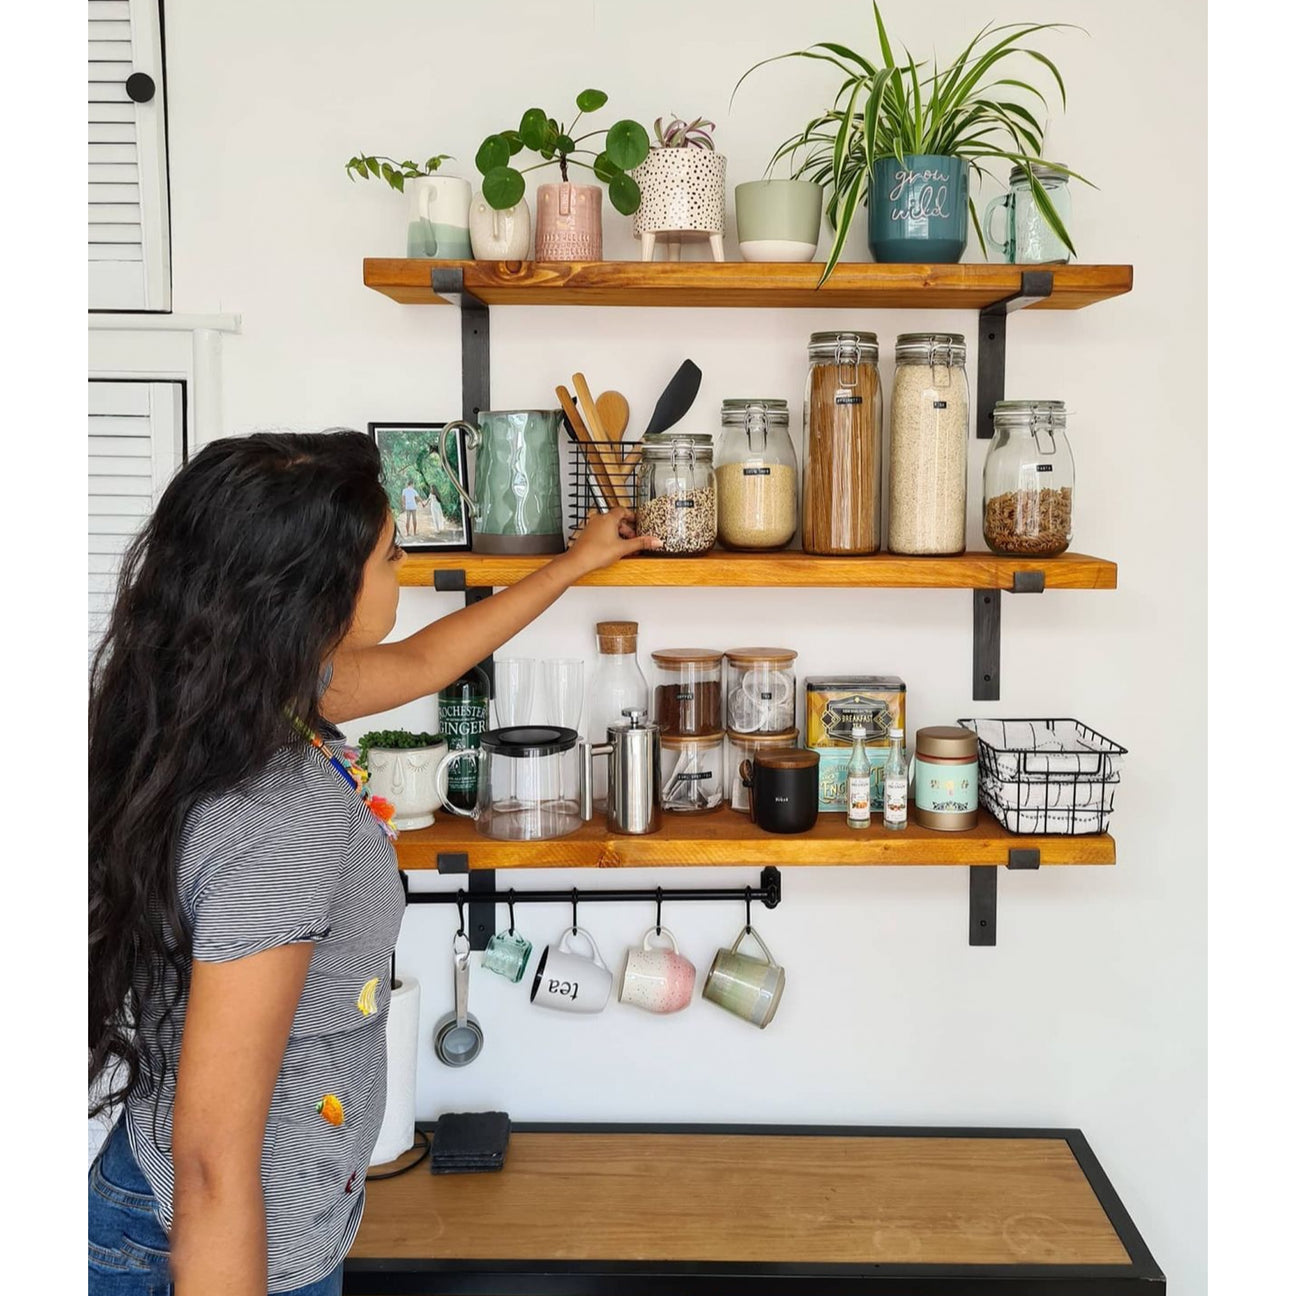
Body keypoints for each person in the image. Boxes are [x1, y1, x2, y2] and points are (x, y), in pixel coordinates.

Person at [88, 430, 657, 1296]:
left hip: (230, 1215)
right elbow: (210, 1164)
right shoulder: (278, 814)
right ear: (315, 592)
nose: (404, 572)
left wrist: (571, 565)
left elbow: (428, 659)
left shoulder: (233, 700)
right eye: (393, 558)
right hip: (225, 1249)